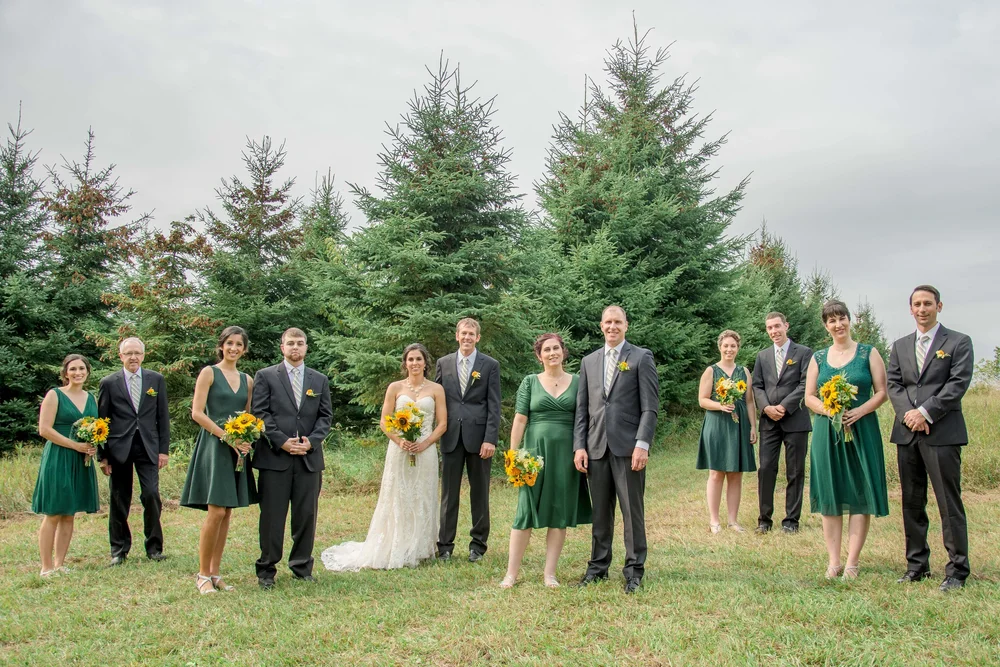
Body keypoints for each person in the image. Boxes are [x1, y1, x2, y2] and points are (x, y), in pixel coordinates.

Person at [322, 343, 446, 571]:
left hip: (425, 450)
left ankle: (421, 546)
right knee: (398, 495)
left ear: (425, 363)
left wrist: (426, 443)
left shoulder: (436, 389)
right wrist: (400, 440)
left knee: (423, 495)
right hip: (399, 449)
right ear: (405, 363)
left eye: (419, 359)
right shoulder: (395, 387)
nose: (415, 363)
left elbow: (442, 423)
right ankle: (396, 543)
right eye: (410, 359)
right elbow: (384, 421)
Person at [886, 285, 974, 592]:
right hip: (907, 433)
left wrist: (925, 412)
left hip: (942, 431)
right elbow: (894, 385)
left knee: (948, 503)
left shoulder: (959, 342)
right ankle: (916, 565)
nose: (922, 309)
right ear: (910, 309)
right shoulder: (899, 346)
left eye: (927, 303)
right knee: (912, 502)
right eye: (917, 304)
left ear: (939, 306)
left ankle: (958, 569)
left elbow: (958, 383)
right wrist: (909, 414)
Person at [574, 305, 659, 594]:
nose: (613, 327)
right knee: (601, 513)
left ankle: (634, 571)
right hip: (596, 448)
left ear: (626, 325)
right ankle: (597, 568)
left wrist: (642, 444)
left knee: (632, 511)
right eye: (608, 322)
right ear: (601, 326)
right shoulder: (589, 361)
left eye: (618, 322)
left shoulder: (641, 357)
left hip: (628, 448)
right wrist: (579, 446)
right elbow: (582, 410)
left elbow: (650, 407)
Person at [805, 300, 889, 580]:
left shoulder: (868, 353)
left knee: (859, 493)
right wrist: (830, 410)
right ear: (825, 326)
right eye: (831, 321)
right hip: (827, 432)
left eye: (842, 319)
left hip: (862, 429)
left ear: (849, 321)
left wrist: (859, 411)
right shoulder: (818, 358)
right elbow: (809, 397)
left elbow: (881, 391)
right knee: (831, 493)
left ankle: (852, 562)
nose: (838, 325)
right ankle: (833, 561)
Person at [500, 334, 592, 589]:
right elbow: (520, 419)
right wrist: (513, 454)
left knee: (559, 513)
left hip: (566, 455)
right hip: (533, 455)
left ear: (563, 352)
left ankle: (549, 573)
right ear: (539, 356)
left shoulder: (578, 382)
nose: (552, 353)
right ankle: (511, 574)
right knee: (525, 512)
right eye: (547, 350)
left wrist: (581, 448)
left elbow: (584, 419)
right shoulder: (530, 382)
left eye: (556, 348)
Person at [251, 327, 333, 589]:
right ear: (282, 347)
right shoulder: (265, 376)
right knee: (272, 517)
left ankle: (301, 565)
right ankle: (267, 570)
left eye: (300, 343)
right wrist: (282, 442)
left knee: (306, 515)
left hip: (308, 459)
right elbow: (260, 413)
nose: (295, 347)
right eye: (290, 343)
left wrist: (312, 441)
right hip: (275, 458)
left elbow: (325, 416)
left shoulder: (318, 379)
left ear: (307, 347)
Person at [180, 326, 258, 594]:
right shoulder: (209, 373)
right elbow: (197, 413)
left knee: (227, 513)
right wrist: (227, 437)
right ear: (221, 346)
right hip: (215, 445)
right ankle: (202, 575)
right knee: (215, 511)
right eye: (229, 343)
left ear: (244, 349)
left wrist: (247, 438)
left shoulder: (247, 380)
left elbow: (247, 416)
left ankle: (215, 573)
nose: (234, 348)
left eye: (239, 344)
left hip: (237, 450)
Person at [98, 337, 170, 565]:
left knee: (151, 495)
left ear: (143, 355)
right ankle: (119, 550)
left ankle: (154, 548)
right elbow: (102, 421)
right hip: (119, 447)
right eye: (128, 353)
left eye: (137, 353)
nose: (133, 357)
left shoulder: (155, 380)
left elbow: (162, 417)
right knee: (119, 498)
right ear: (120, 356)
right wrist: (103, 455)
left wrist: (163, 450)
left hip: (148, 446)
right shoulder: (109, 382)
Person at [435, 318, 501, 563]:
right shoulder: (443, 363)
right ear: (457, 335)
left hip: (479, 439)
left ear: (478, 338)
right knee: (448, 494)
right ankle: (445, 546)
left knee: (480, 493)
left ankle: (478, 545)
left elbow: (494, 405)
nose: (467, 337)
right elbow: (438, 400)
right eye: (464, 333)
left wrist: (490, 439)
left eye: (471, 334)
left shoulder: (490, 365)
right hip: (451, 437)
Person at [32, 354, 101, 576]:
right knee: (54, 511)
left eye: (82, 368)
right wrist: (74, 445)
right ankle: (46, 567)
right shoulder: (55, 395)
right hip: (59, 457)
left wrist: (91, 447)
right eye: (73, 369)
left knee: (69, 513)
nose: (78, 372)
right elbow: (44, 429)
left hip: (80, 459)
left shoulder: (91, 397)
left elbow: (94, 428)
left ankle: (60, 564)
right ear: (65, 373)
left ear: (88, 372)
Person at [751, 312, 812, 534]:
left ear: (786, 325)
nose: (774, 331)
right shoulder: (763, 356)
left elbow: (806, 384)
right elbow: (757, 386)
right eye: (769, 328)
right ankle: (764, 520)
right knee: (766, 469)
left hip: (795, 419)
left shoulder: (804, 353)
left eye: (777, 326)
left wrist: (784, 406)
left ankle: (791, 521)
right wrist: (766, 407)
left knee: (795, 471)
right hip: (769, 421)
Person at [696, 330, 757, 534]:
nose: (729, 349)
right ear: (719, 347)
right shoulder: (711, 371)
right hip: (717, 425)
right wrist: (720, 406)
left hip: (739, 425)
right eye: (726, 345)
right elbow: (702, 400)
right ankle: (714, 520)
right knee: (716, 473)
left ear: (738, 348)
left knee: (735, 474)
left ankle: (733, 520)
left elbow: (749, 401)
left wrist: (753, 426)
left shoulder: (744, 371)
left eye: (733, 346)